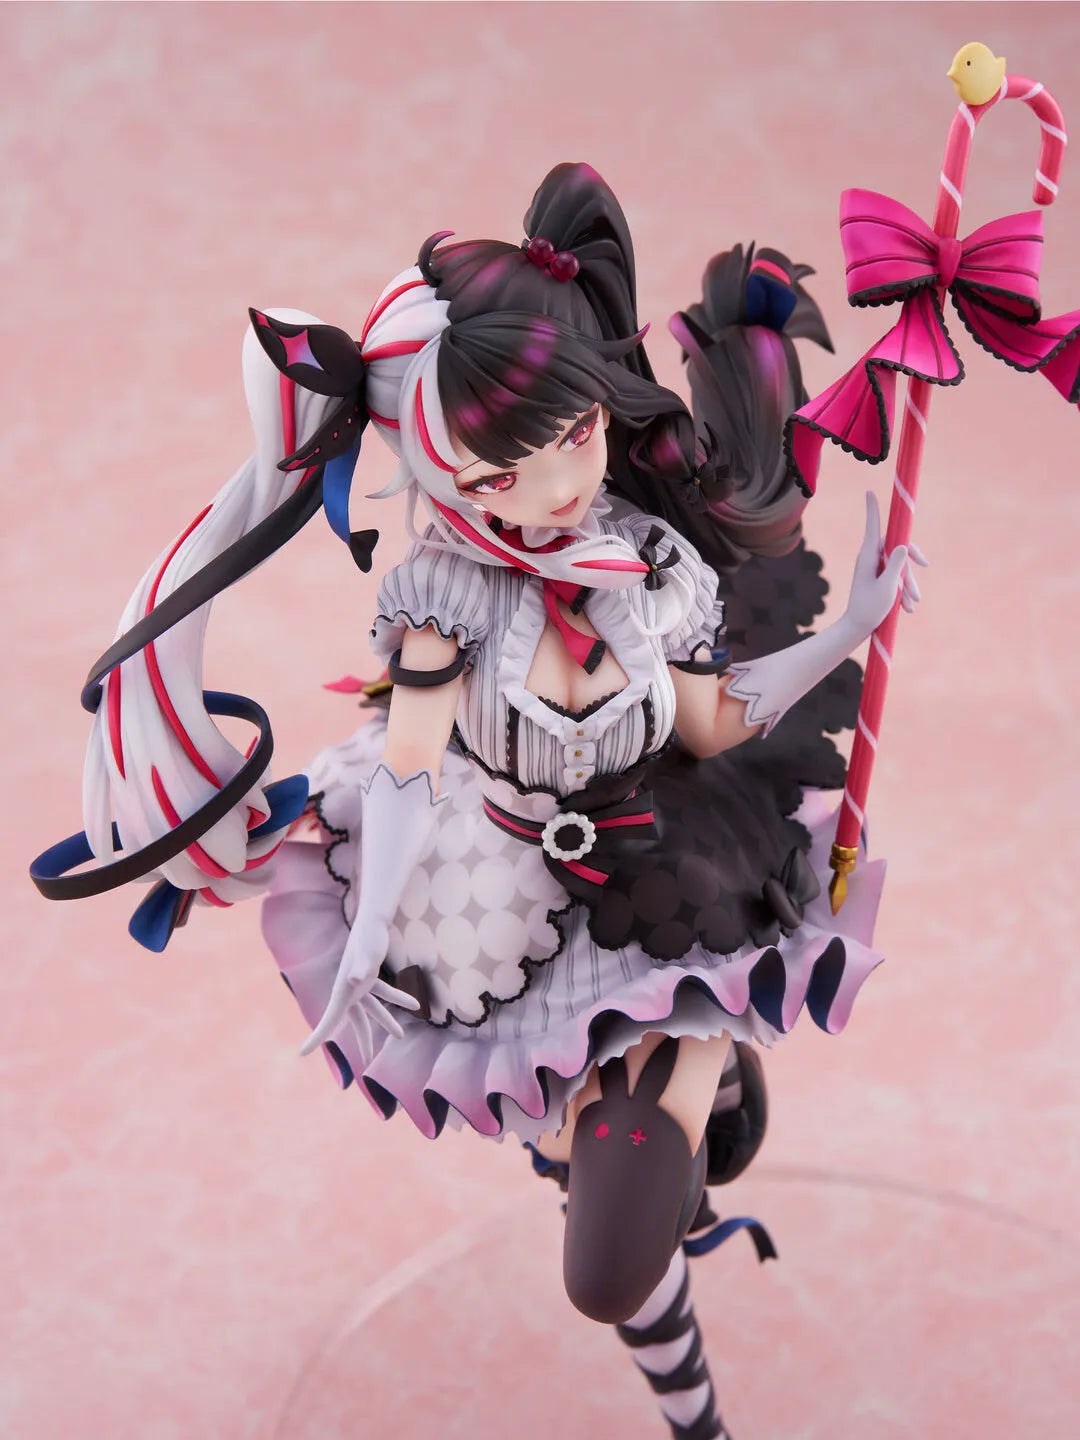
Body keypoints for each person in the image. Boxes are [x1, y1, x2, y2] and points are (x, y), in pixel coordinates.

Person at [34, 163, 913, 1440]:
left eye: (576, 437)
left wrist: (850, 630)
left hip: (668, 875)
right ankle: (694, 1384)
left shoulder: (648, 562)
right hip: (497, 895)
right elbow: (407, 767)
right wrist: (367, 935)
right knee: (598, 1220)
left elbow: (712, 717)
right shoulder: (448, 599)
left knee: (621, 1224)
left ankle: (689, 1118)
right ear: (445, 476)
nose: (556, 488)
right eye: (504, 474)